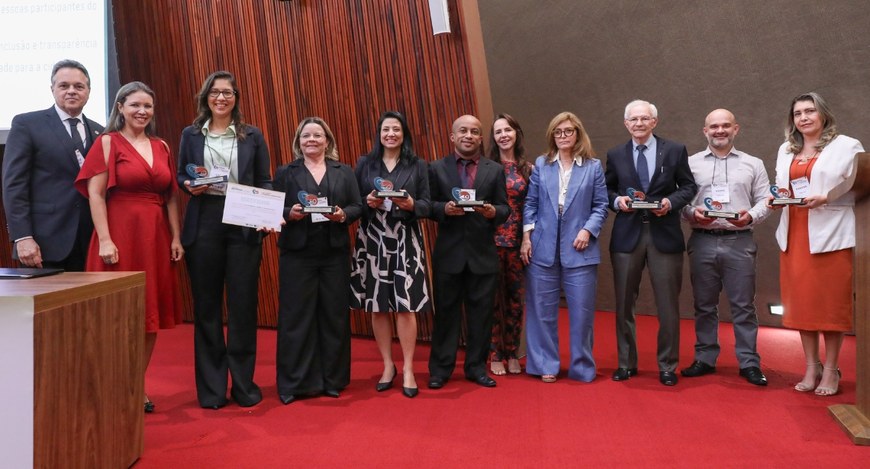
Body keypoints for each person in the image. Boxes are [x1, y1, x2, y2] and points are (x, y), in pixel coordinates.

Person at [74, 81, 183, 412]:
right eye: (135, 105)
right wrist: (105, 238)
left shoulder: (161, 145)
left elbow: (170, 197)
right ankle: (110, 385)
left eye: (148, 106)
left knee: (149, 316)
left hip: (155, 236)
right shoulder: (107, 142)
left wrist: (176, 237)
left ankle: (135, 385)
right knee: (116, 317)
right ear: (120, 106)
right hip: (119, 235)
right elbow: (95, 193)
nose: (142, 111)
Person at [177, 71, 273, 409]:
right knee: (207, 308)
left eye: (228, 93)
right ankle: (212, 390)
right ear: (206, 97)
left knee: (243, 306)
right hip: (204, 219)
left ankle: (244, 385)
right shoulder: (190, 134)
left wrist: (266, 215)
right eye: (215, 93)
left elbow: (264, 179)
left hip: (244, 220)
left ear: (236, 98)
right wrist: (189, 186)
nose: (221, 98)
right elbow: (181, 175)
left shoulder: (252, 135)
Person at [769, 92, 863, 396]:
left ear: (823, 114)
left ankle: (832, 368)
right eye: (798, 114)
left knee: (830, 306)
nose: (804, 118)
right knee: (802, 305)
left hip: (831, 236)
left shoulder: (847, 146)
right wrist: (775, 198)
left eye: (810, 111)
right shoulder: (787, 149)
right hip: (794, 234)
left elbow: (862, 187)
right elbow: (782, 184)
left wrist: (827, 197)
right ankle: (811, 366)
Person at [605, 99, 697, 386]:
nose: (639, 124)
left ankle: (667, 365)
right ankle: (625, 362)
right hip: (626, 236)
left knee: (668, 305)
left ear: (654, 121)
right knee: (623, 304)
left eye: (644, 119)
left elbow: (689, 186)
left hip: (664, 235)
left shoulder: (675, 150)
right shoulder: (616, 154)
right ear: (626, 124)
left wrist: (671, 202)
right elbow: (606, 189)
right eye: (633, 119)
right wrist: (618, 201)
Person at [680, 109, 771, 386]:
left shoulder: (753, 164)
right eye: (714, 126)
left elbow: (765, 199)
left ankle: (749, 362)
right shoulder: (690, 163)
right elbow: (680, 200)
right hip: (702, 239)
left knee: (743, 306)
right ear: (704, 131)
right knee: (704, 305)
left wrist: (751, 216)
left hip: (739, 240)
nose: (720, 130)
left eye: (725, 126)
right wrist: (693, 213)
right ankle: (705, 358)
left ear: (736, 129)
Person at [274, 117, 362, 404]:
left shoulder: (344, 171)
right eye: (306, 136)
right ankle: (294, 383)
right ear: (298, 141)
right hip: (297, 253)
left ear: (328, 140)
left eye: (317, 135)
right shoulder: (286, 172)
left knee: (333, 317)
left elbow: (357, 205)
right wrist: (290, 212)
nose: (311, 140)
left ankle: (332, 379)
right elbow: (273, 206)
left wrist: (343, 215)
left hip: (333, 252)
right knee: (295, 318)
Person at [520, 112, 608, 383]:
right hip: (542, 249)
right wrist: (526, 238)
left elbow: (601, 205)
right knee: (541, 311)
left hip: (580, 249)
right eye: (558, 132)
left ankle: (581, 366)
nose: (563, 136)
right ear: (552, 136)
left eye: (568, 131)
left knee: (582, 313)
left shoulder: (593, 167)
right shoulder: (541, 164)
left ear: (578, 134)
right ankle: (546, 363)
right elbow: (531, 204)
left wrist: (587, 230)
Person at [350, 111, 430, 399]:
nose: (391, 134)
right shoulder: (365, 163)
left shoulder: (418, 165)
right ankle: (388, 365)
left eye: (396, 129)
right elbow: (353, 201)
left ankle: (408, 367)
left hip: (405, 238)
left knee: (406, 304)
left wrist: (411, 204)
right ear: (379, 134)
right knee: (377, 305)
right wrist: (366, 201)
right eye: (386, 129)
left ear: (404, 134)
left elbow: (427, 204)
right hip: (373, 238)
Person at [427, 114, 509, 390]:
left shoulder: (494, 170)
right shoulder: (436, 168)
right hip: (449, 254)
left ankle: (476, 367)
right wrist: (443, 210)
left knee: (481, 315)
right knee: (446, 315)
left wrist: (492, 212)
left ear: (479, 137)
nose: (469, 135)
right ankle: (440, 370)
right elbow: (428, 205)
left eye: (475, 131)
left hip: (482, 255)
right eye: (463, 131)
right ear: (453, 136)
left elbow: (504, 208)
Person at [3, 59, 104, 270]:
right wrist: (22, 237)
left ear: (89, 91)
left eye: (79, 86)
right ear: (52, 89)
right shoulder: (27, 124)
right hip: (43, 243)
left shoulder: (100, 131)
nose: (71, 91)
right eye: (64, 86)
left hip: (89, 242)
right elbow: (14, 185)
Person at [487, 113, 533, 376]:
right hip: (490, 242)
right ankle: (494, 353)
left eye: (508, 130)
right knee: (493, 300)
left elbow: (532, 207)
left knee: (516, 300)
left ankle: (513, 351)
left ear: (516, 133)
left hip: (519, 244)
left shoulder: (528, 169)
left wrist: (527, 238)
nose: (503, 135)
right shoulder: (487, 166)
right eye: (498, 132)